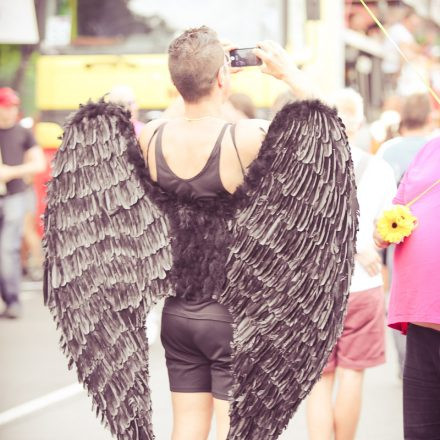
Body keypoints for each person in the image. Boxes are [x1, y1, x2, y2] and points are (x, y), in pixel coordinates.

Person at [137, 28, 315, 440]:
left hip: (179, 313)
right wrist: (289, 74)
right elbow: (323, 133)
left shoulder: (150, 136)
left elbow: (179, 104)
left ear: (176, 80)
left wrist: (195, 67)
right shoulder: (246, 137)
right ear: (224, 78)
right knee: (235, 430)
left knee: (185, 428)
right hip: (233, 313)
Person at [306, 88, 396, 440]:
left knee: (318, 381)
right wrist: (366, 244)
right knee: (353, 376)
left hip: (315, 290)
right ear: (358, 123)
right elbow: (387, 229)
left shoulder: (307, 169)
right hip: (363, 286)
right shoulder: (380, 168)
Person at [374, 136, 440, 439]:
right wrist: (385, 230)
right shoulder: (430, 148)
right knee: (420, 432)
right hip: (422, 320)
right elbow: (400, 207)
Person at [0, 88, 46, 319]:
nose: (9, 112)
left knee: (7, 249)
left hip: (15, 196)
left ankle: (13, 300)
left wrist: (11, 172)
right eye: (5, 106)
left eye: (12, 107)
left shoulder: (22, 132)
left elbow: (38, 164)